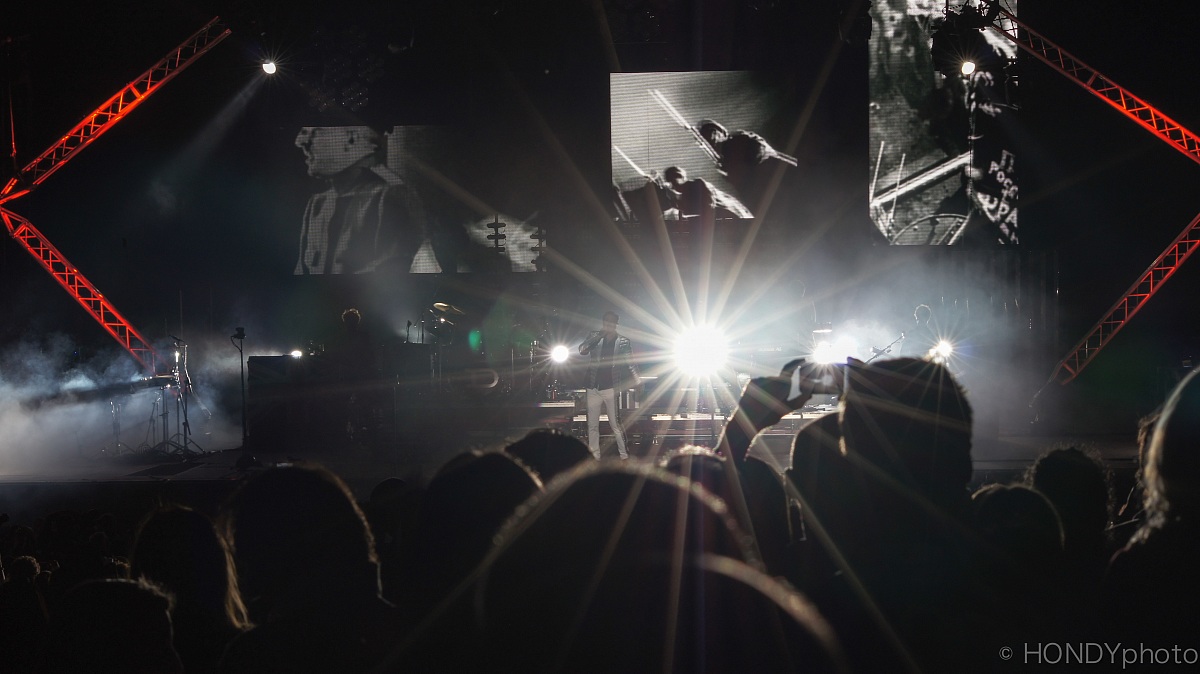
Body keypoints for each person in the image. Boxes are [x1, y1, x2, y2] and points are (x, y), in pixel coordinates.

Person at [293, 126, 425, 275]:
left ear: (351, 139)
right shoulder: (317, 204)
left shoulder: (390, 196)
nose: (300, 141)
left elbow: (393, 269)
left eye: (314, 132)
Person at [578, 311, 638, 459]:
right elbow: (582, 350)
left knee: (615, 424)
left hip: (611, 387)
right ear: (603, 322)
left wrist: (637, 380)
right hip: (593, 386)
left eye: (611, 322)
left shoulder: (623, 341)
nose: (608, 324)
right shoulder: (595, 336)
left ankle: (624, 455)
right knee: (592, 424)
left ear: (616, 324)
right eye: (606, 321)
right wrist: (598, 336)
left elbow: (631, 363)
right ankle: (595, 456)